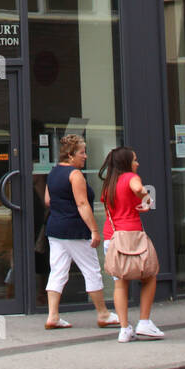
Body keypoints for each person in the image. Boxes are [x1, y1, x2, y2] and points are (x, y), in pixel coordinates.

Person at [43, 134, 119, 330]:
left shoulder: (53, 172)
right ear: (70, 155)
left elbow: (47, 201)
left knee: (58, 271)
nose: (85, 156)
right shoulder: (75, 175)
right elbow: (83, 204)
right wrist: (94, 230)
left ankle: (53, 315)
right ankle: (103, 314)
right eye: (82, 153)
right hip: (75, 230)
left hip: (55, 228)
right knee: (91, 270)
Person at [99, 146, 164, 342]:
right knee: (150, 275)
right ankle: (144, 322)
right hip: (132, 236)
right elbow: (138, 189)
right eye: (135, 160)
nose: (137, 163)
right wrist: (146, 199)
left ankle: (124, 328)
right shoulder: (130, 177)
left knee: (120, 283)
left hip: (112, 237)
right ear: (127, 162)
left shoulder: (109, 183)